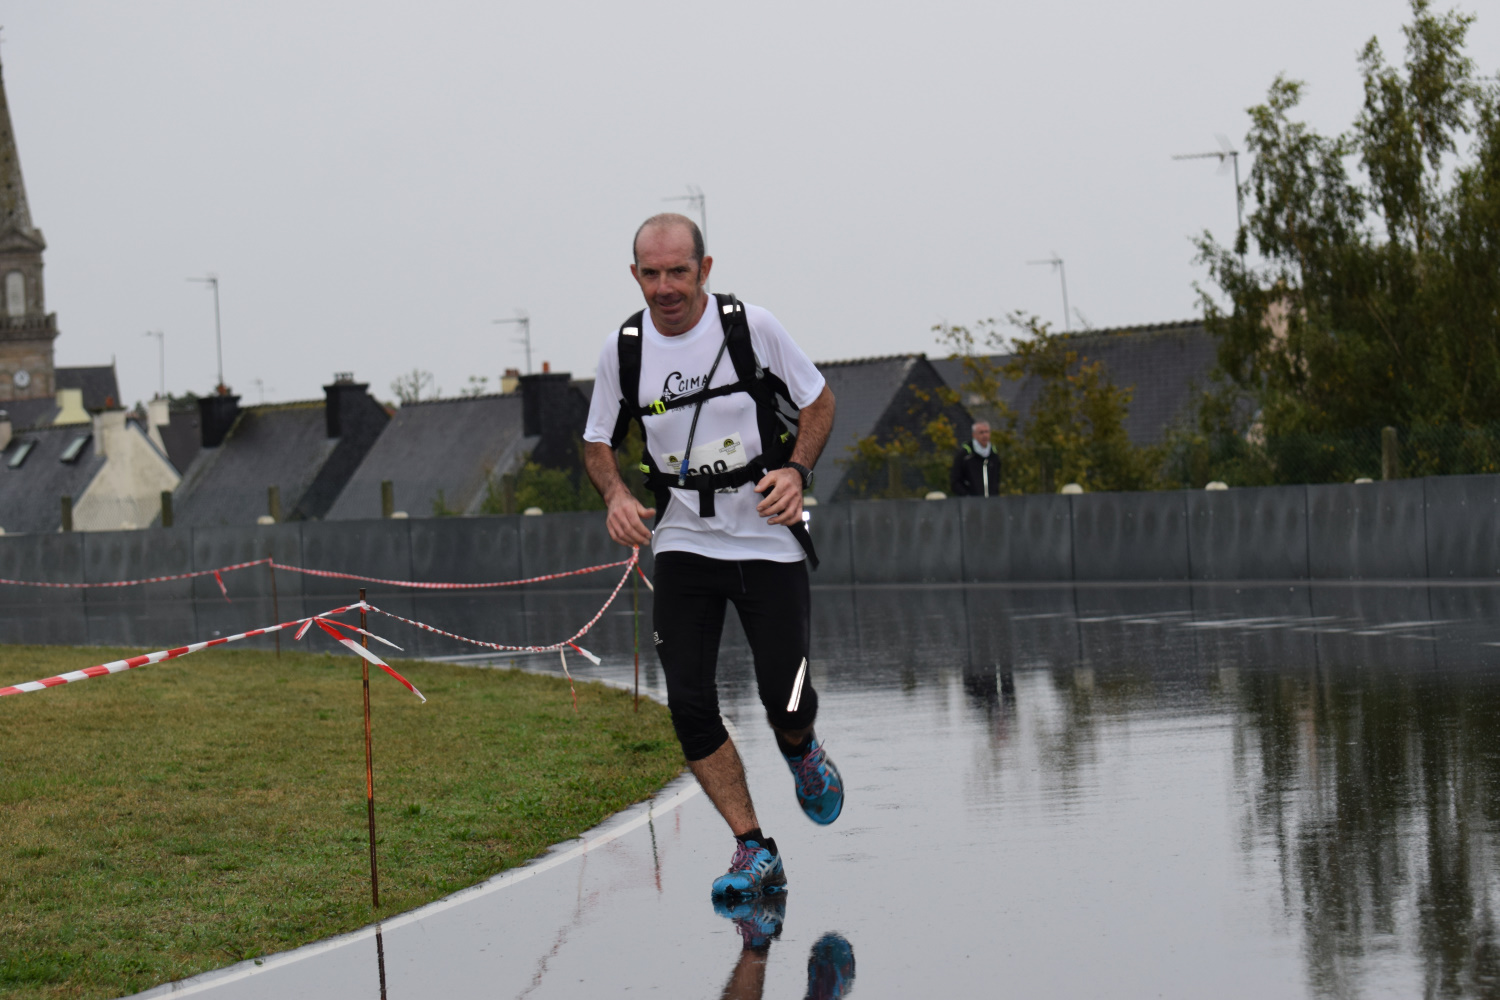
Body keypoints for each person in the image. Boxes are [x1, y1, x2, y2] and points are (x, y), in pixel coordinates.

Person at [582, 213, 843, 900]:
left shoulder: (751, 327)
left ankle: (800, 747)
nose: (665, 287)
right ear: (634, 274)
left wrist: (796, 472)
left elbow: (818, 402)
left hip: (767, 535)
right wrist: (614, 493)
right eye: (651, 274)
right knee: (690, 703)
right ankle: (754, 847)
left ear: (705, 268)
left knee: (786, 698)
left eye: (679, 271)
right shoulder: (624, 349)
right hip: (684, 539)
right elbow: (596, 440)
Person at [949, 420, 1001, 497]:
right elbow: (955, 481)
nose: (985, 435)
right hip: (971, 501)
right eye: (981, 432)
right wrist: (967, 496)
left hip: (991, 501)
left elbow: (997, 479)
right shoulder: (965, 455)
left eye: (986, 432)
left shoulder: (994, 454)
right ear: (974, 435)